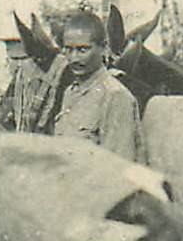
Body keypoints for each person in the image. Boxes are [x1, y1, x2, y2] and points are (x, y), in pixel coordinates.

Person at [52, 10, 143, 162]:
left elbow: (118, 166)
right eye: (68, 49)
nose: (74, 58)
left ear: (103, 48)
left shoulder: (115, 96)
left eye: (83, 50)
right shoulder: (70, 93)